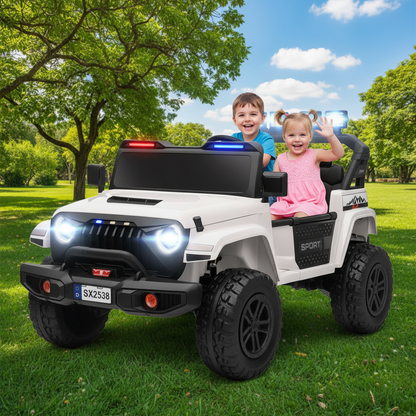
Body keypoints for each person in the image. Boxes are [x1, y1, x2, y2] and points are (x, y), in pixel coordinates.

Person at [270, 109, 344, 220]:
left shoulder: (314, 155)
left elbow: (338, 153)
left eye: (302, 135)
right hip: (286, 203)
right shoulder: (280, 159)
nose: (297, 139)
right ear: (284, 137)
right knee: (268, 216)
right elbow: (274, 185)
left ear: (310, 136)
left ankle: (297, 237)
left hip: (311, 203)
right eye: (291, 135)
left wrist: (331, 137)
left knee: (299, 217)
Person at [231, 92, 276, 172]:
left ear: (262, 119)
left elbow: (262, 162)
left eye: (253, 114)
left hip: (263, 182)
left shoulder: (266, 139)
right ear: (235, 121)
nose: (247, 119)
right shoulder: (233, 138)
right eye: (241, 115)